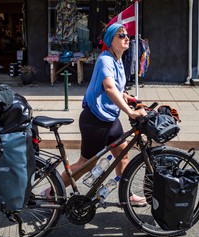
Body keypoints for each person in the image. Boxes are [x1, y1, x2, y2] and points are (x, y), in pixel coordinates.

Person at [60, 23, 148, 205]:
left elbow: (116, 88)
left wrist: (128, 98)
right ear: (110, 41)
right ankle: (52, 190)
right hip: (95, 120)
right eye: (121, 35)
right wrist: (130, 112)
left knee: (123, 155)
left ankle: (126, 195)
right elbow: (108, 87)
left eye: (127, 36)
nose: (127, 38)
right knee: (87, 164)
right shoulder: (105, 60)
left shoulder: (118, 60)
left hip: (110, 118)